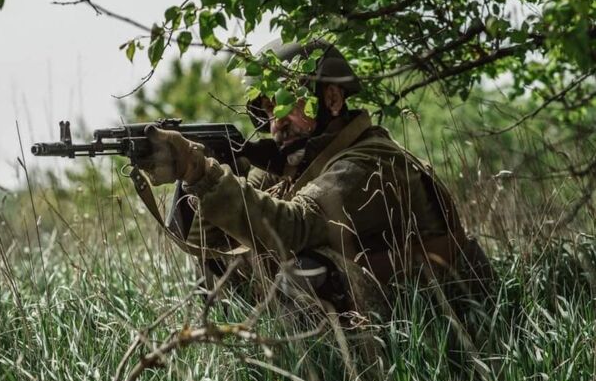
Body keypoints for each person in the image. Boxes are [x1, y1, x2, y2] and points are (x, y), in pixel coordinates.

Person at [135, 38, 494, 326]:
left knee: (305, 271)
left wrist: (202, 171)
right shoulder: (293, 163)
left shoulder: (369, 162)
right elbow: (218, 241)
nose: (276, 123)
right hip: (383, 310)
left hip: (436, 316)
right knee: (224, 262)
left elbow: (290, 228)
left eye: (286, 105)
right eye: (268, 110)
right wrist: (193, 180)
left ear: (332, 99)